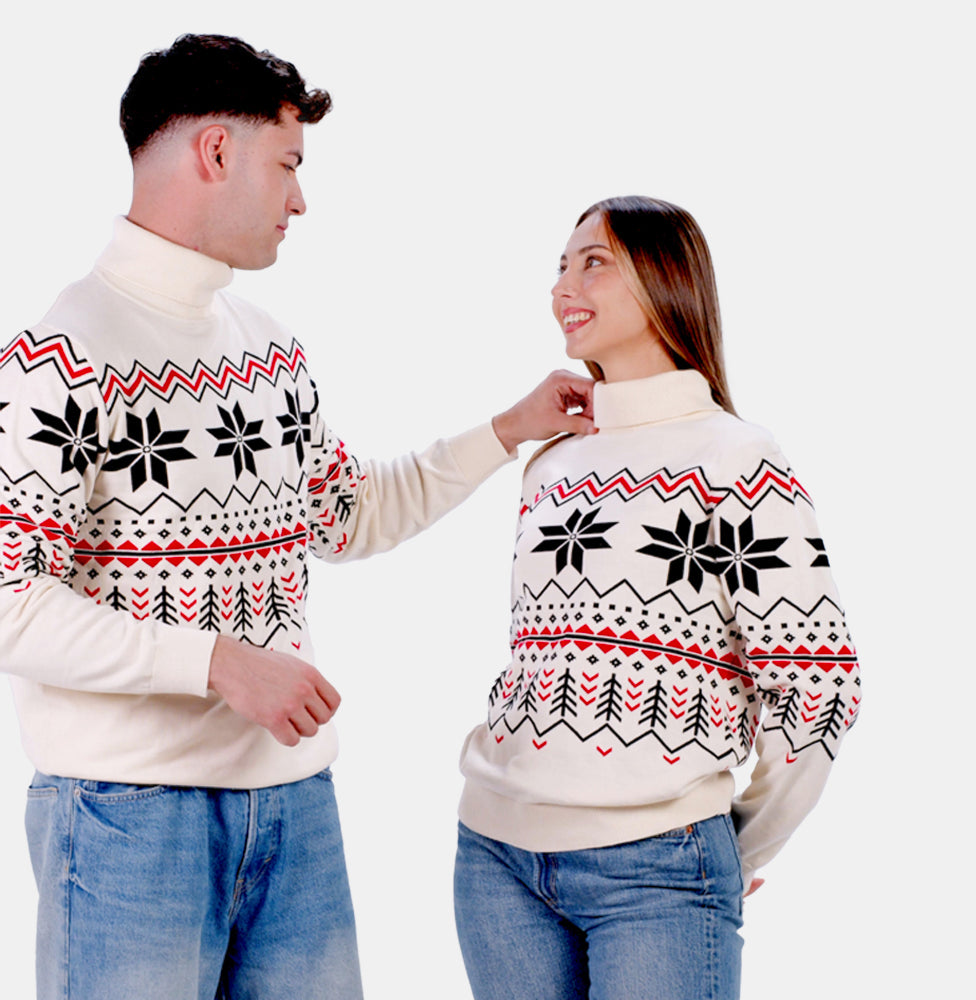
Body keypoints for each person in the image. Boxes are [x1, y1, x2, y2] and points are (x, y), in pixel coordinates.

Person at [0, 33, 594, 1000]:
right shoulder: (60, 357)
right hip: (124, 822)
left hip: (294, 811)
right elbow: (10, 604)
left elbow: (349, 514)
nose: (301, 199)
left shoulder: (267, 349)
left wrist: (506, 432)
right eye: (288, 164)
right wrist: (220, 663)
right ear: (216, 152)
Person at [454, 196, 861, 999]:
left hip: (660, 870)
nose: (563, 287)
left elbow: (817, 686)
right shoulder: (552, 462)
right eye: (560, 267)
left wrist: (737, 850)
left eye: (593, 263)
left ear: (664, 280)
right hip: (496, 859)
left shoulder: (738, 459)